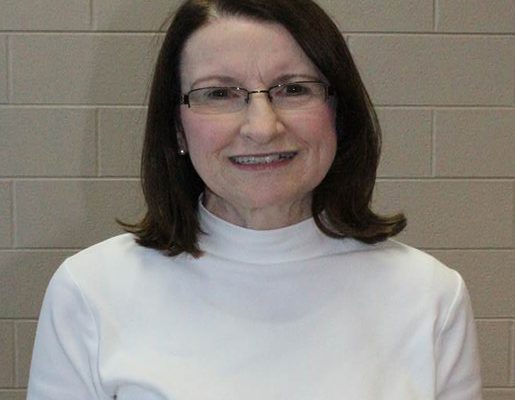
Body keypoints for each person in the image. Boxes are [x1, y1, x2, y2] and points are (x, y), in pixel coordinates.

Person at [27, 0, 483, 399]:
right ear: (177, 129)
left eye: (293, 89)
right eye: (219, 93)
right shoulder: (90, 292)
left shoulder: (431, 298)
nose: (262, 127)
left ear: (338, 114)